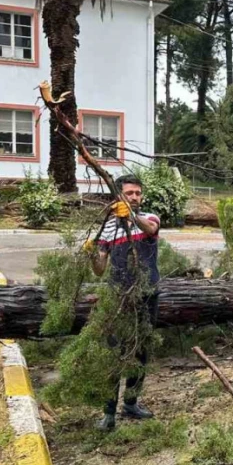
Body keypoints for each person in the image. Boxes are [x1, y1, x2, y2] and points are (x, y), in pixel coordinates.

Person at [84, 174, 161, 431]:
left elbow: (150, 230)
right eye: (129, 193)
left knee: (141, 350)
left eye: (138, 193)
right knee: (114, 352)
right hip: (118, 297)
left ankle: (131, 403)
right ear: (119, 196)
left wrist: (130, 216)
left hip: (146, 295)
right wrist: (91, 253)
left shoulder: (149, 218)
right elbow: (99, 269)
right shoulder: (108, 228)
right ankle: (108, 413)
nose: (135, 197)